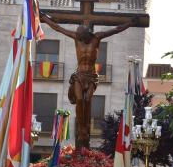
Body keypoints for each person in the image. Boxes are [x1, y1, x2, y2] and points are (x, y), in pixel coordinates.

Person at [40, 11, 137, 148]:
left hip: (91, 76)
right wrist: (44, 18)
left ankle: (86, 127)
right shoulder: (76, 37)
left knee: (87, 100)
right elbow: (58, 28)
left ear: (87, 35)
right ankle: (82, 128)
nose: (79, 38)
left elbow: (116, 30)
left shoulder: (96, 38)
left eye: (81, 36)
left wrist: (130, 23)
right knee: (79, 99)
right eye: (78, 36)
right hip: (79, 75)